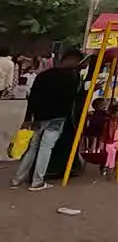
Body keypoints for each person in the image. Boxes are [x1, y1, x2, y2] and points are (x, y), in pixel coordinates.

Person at [10, 48, 83, 190]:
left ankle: (17, 179)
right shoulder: (72, 78)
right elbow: (74, 98)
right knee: (46, 148)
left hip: (39, 117)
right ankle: (37, 181)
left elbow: (32, 98)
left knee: (32, 148)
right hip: (58, 118)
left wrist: (28, 117)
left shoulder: (43, 76)